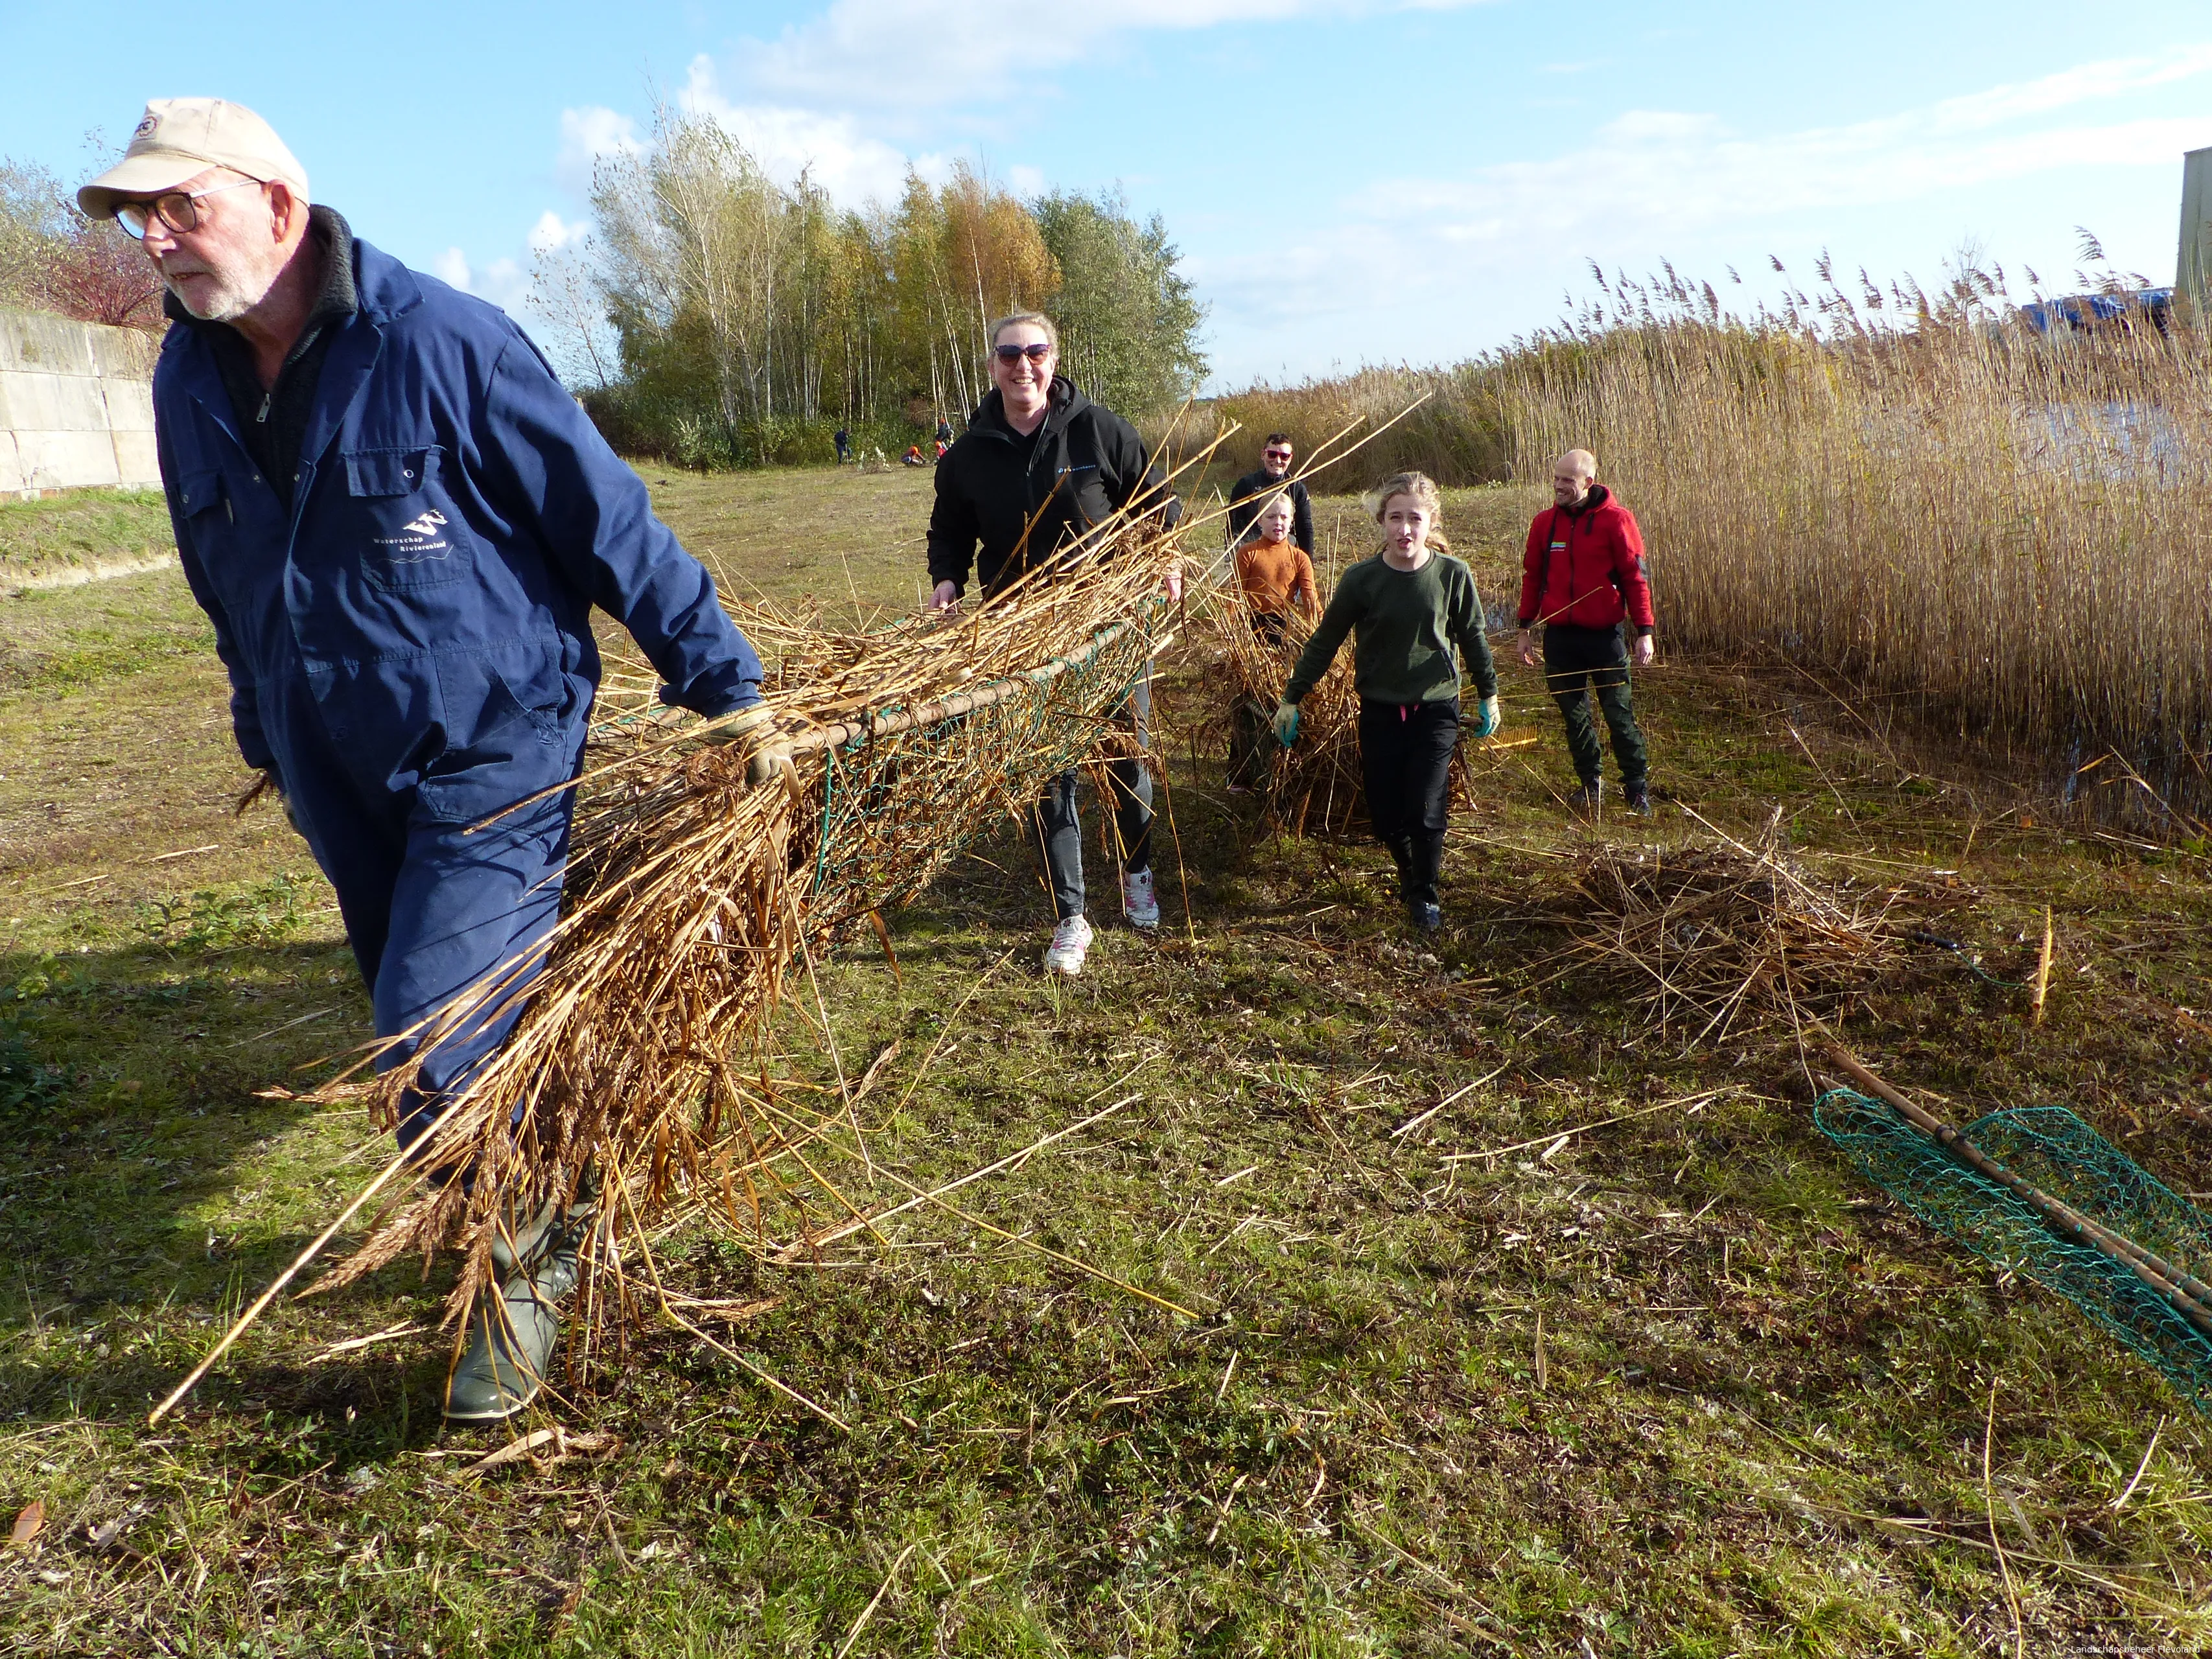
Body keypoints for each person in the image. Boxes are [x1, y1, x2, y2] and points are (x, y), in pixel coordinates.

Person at [82, 98, 773, 1422]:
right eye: (140, 218)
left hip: (490, 747)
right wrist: (258, 722)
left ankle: (528, 1254)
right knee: (436, 1017)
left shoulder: (441, 342)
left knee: (425, 1040)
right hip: (331, 763)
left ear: (280, 204)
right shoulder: (187, 380)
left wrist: (723, 686)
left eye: (184, 206)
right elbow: (219, 574)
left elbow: (600, 513)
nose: (158, 239)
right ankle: (527, 1167)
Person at [926, 311, 1181, 976]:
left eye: (1034, 351)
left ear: (1053, 357)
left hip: (1109, 626)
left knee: (1127, 756)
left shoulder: (1097, 428)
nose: (1023, 365)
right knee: (1050, 769)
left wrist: (1166, 559)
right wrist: (946, 579)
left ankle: (1138, 871)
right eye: (1009, 354)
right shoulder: (967, 454)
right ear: (991, 367)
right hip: (1023, 633)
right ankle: (1071, 916)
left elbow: (1157, 504)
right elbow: (948, 530)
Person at [1275, 472, 1497, 932]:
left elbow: (1473, 638)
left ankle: (1425, 896)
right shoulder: (1362, 580)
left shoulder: (1452, 575)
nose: (1404, 529)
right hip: (1378, 709)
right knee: (1383, 814)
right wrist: (1291, 698)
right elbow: (1325, 641)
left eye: (1414, 518)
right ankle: (1409, 870)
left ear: (1430, 520)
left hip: (1436, 708)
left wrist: (1489, 695)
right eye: (1395, 518)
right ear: (1382, 522)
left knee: (1425, 806)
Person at [1515, 448, 1657, 815]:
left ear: (1588, 483)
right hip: (1561, 639)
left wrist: (1645, 630)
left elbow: (1636, 577)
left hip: (1605, 638)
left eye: (1567, 480)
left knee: (1618, 714)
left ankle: (1637, 790)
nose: (1559, 486)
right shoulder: (1543, 524)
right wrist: (1524, 628)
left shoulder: (1617, 521)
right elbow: (1533, 578)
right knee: (1574, 716)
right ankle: (1590, 784)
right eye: (1557, 478)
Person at [1228, 492, 1318, 793]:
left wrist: (1315, 633)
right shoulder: (1248, 553)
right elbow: (1234, 599)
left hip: (1285, 633)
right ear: (1259, 520)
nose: (1277, 522)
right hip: (1252, 631)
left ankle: (1279, 770)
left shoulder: (1299, 558)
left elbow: (1310, 599)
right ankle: (1239, 773)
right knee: (1247, 701)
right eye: (1270, 516)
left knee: (1281, 700)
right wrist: (1236, 635)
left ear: (1292, 521)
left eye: (1283, 517)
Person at [1226, 433, 1314, 553]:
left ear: (1290, 458)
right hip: (1252, 551)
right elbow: (1233, 526)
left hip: (1286, 551)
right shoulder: (1245, 485)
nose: (1278, 460)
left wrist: (1308, 564)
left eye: (1284, 456)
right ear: (1263, 454)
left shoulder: (1297, 489)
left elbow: (1305, 528)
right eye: (1272, 454)